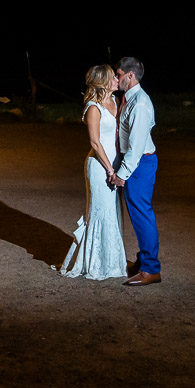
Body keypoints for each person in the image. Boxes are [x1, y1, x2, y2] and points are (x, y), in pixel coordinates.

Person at [58, 64, 128, 280]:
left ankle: (112, 261)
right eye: (113, 77)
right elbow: (95, 142)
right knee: (100, 212)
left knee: (112, 212)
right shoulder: (93, 108)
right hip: (99, 166)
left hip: (115, 164)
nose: (117, 79)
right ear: (103, 82)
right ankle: (96, 262)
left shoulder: (115, 101)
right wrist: (109, 169)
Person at [109, 56, 160, 285]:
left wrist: (122, 174)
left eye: (119, 74)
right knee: (137, 215)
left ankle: (151, 269)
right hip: (136, 162)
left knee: (142, 214)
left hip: (141, 163)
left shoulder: (139, 103)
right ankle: (143, 261)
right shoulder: (128, 99)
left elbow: (137, 146)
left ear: (130, 75)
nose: (116, 78)